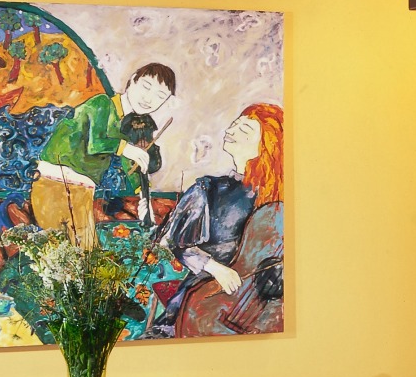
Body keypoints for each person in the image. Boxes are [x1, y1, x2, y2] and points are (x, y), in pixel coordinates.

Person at [170, 103, 285, 337]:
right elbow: (176, 242)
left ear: (268, 146)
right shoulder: (209, 189)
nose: (230, 131)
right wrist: (215, 268)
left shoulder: (282, 198)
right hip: (209, 296)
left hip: (264, 308)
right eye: (234, 126)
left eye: (244, 131)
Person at [32, 63, 174, 248]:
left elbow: (129, 166)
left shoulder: (129, 124)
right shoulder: (102, 104)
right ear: (132, 81)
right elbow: (96, 143)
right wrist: (127, 149)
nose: (149, 98)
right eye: (146, 87)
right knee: (66, 255)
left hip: (82, 190)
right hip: (54, 185)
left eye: (160, 96)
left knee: (86, 255)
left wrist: (143, 198)